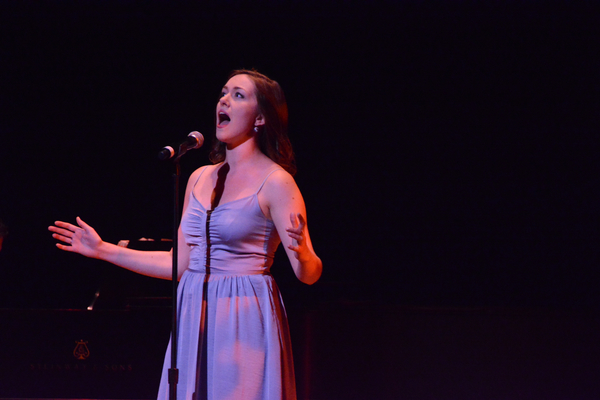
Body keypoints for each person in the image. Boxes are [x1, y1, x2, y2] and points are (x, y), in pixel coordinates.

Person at [49, 69, 322, 400]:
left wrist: (304, 253)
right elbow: (179, 265)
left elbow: (307, 274)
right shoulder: (198, 178)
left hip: (242, 314)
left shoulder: (277, 182)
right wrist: (102, 249)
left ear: (261, 118)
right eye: (223, 92)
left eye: (238, 95)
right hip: (193, 309)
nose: (224, 99)